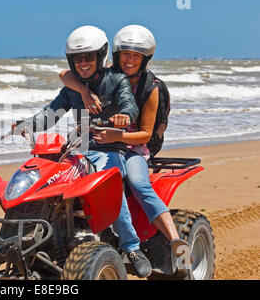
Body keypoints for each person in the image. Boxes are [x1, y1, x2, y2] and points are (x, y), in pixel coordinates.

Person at [13, 25, 152, 278]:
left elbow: (129, 104)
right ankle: (45, 238)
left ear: (101, 56)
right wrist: (25, 125)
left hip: (109, 149)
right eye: (78, 58)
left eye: (89, 57)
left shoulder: (116, 80)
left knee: (111, 183)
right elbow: (50, 113)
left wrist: (124, 116)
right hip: (79, 148)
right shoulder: (72, 89)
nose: (84, 63)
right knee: (46, 177)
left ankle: (132, 247)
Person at [59, 25, 190, 260]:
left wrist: (117, 136)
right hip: (99, 144)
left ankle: (175, 240)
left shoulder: (152, 88)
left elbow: (146, 135)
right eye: (126, 54)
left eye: (136, 56)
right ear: (117, 55)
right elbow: (64, 75)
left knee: (138, 183)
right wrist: (84, 92)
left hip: (132, 147)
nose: (130, 60)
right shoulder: (105, 74)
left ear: (145, 58)